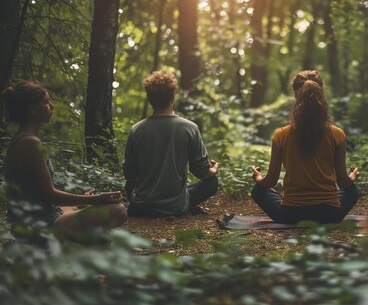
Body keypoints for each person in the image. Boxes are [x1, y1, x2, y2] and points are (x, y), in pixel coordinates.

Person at [1, 80, 127, 233]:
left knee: (80, 207)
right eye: (46, 102)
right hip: (40, 225)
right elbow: (50, 196)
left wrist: (82, 202)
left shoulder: (22, 139)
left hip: (40, 217)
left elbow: (44, 194)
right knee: (118, 210)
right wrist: (97, 199)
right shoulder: (29, 143)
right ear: (33, 109)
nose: (52, 106)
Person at [250, 70, 360, 224]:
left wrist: (258, 177)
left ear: (296, 95)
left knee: (258, 190)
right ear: (321, 94)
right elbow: (343, 183)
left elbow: (270, 182)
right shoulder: (337, 134)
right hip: (329, 214)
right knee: (352, 190)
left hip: (290, 215)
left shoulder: (280, 135)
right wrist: (353, 176)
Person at [123, 71, 219, 217]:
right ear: (172, 97)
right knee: (212, 182)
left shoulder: (137, 130)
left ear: (149, 99)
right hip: (175, 207)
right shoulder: (189, 128)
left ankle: (140, 205)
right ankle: (179, 204)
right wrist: (214, 169)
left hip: (141, 206)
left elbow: (130, 175)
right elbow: (201, 172)